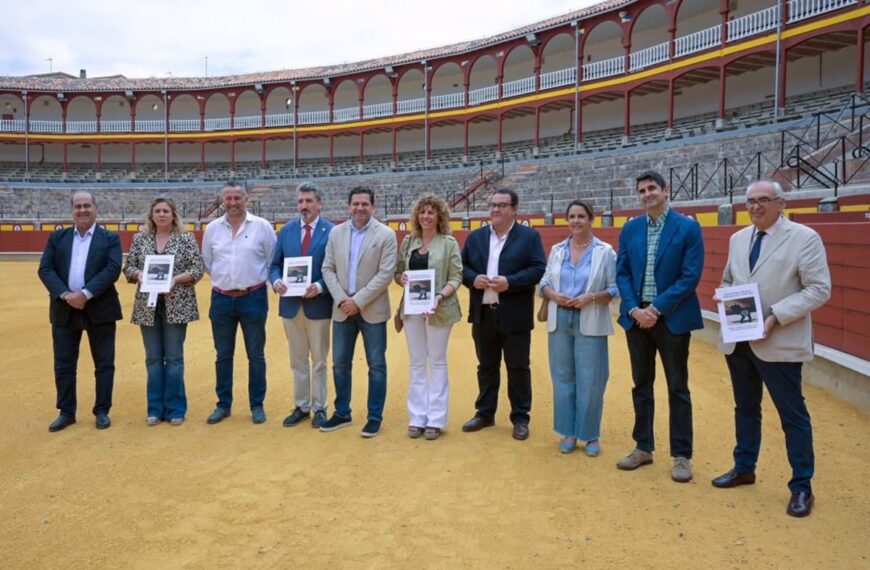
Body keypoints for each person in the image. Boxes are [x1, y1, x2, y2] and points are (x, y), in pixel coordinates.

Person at [711, 180, 831, 518]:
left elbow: (819, 289)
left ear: (781, 203)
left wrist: (776, 317)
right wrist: (723, 295)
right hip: (740, 339)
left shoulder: (804, 237)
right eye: (750, 201)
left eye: (764, 200)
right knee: (745, 408)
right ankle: (744, 467)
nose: (755, 206)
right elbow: (729, 280)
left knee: (792, 415)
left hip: (778, 340)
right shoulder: (738, 239)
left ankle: (802, 486)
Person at [615, 170, 704, 482]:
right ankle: (643, 446)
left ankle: (682, 455)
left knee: (677, 387)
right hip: (637, 319)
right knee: (641, 384)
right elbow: (622, 273)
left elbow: (690, 276)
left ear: (666, 191)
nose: (646, 194)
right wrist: (633, 308)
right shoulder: (631, 229)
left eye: (652, 188)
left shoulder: (688, 228)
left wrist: (655, 308)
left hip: (672, 318)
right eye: (641, 190)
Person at [460, 189, 546, 441]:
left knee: (518, 367)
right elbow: (462, 268)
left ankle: (520, 417)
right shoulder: (476, 237)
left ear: (514, 209)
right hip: (483, 312)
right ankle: (485, 413)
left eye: (501, 205)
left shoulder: (529, 236)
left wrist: (510, 282)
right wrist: (473, 279)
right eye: (493, 205)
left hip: (514, 312)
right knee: (486, 365)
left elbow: (538, 269)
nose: (495, 209)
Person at [38, 191, 122, 431]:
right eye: (78, 206)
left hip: (100, 307)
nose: (83, 210)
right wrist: (67, 295)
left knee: (104, 363)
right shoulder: (58, 237)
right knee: (64, 363)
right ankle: (66, 411)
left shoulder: (110, 238)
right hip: (65, 309)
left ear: (96, 208)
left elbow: (113, 269)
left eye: (87, 205)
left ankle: (102, 410)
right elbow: (45, 270)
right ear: (72, 211)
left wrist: (84, 294)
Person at [540, 200, 618, 455]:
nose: (576, 221)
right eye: (571, 216)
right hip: (560, 317)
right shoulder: (557, 249)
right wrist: (552, 294)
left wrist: (590, 297)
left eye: (581, 216)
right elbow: (544, 282)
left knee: (592, 379)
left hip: (590, 316)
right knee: (562, 376)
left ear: (591, 219)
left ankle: (590, 434)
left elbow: (615, 288)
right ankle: (568, 431)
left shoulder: (605, 252)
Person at [321, 186, 397, 437]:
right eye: (356, 204)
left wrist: (359, 300)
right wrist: (343, 299)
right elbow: (327, 269)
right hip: (342, 308)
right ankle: (342, 412)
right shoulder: (336, 232)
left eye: (365, 204)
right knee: (340, 363)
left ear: (373, 207)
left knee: (376, 365)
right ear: (349, 206)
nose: (360, 208)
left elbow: (386, 273)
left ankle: (374, 416)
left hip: (372, 309)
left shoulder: (385, 234)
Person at [123, 197, 204, 426]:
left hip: (176, 303)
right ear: (151, 215)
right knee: (153, 359)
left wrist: (174, 280)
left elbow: (197, 269)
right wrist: (139, 275)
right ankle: (155, 408)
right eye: (157, 211)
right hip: (147, 306)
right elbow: (128, 267)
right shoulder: (140, 239)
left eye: (165, 211)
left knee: (174, 358)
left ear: (173, 215)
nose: (161, 214)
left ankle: (176, 408)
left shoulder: (186, 239)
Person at [201, 181, 277, 425]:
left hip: (253, 297)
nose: (233, 203)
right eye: (228, 198)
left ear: (246, 200)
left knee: (256, 354)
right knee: (223, 354)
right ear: (222, 201)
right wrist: (227, 281)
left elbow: (271, 260)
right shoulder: (212, 228)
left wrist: (252, 283)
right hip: (221, 298)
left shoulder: (262, 227)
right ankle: (223, 405)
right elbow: (208, 262)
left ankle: (257, 405)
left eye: (237, 198)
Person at [394, 193, 463, 440]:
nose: (425, 216)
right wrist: (400, 278)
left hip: (439, 308)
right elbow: (399, 272)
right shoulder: (409, 242)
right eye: (422, 212)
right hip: (412, 308)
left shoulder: (448, 243)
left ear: (439, 216)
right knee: (416, 361)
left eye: (430, 212)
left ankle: (435, 418)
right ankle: (417, 417)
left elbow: (456, 276)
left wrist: (439, 296)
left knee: (436, 360)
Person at [269, 183, 334, 429]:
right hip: (291, 304)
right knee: (297, 360)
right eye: (300, 202)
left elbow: (335, 268)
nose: (304, 206)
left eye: (308, 201)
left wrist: (319, 286)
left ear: (319, 204)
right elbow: (275, 265)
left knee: (319, 360)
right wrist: (276, 282)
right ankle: (301, 406)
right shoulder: (286, 231)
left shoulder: (331, 231)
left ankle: (319, 407)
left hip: (318, 304)